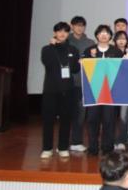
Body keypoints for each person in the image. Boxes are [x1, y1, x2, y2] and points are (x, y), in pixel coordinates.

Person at [40, 22, 80, 159]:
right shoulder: (47, 49)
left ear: (68, 33)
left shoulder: (73, 49)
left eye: (65, 31)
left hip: (68, 90)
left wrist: (79, 63)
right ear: (55, 33)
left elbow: (75, 69)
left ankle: (63, 147)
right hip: (51, 90)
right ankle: (47, 148)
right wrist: (53, 46)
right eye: (59, 31)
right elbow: (48, 63)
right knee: (48, 120)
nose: (62, 33)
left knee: (66, 120)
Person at [83, 24, 124, 156]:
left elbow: (121, 69)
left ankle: (107, 147)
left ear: (110, 36)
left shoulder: (116, 52)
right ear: (97, 35)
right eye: (101, 32)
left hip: (110, 92)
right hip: (93, 91)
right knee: (92, 120)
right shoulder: (89, 50)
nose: (104, 35)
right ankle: (93, 147)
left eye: (106, 33)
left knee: (109, 120)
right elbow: (84, 68)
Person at [66, 15, 94, 153]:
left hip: (84, 82)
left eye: (82, 25)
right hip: (66, 83)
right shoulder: (66, 40)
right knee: (65, 113)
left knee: (80, 114)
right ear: (72, 26)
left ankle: (76, 141)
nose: (79, 28)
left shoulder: (90, 42)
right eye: (77, 25)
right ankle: (62, 143)